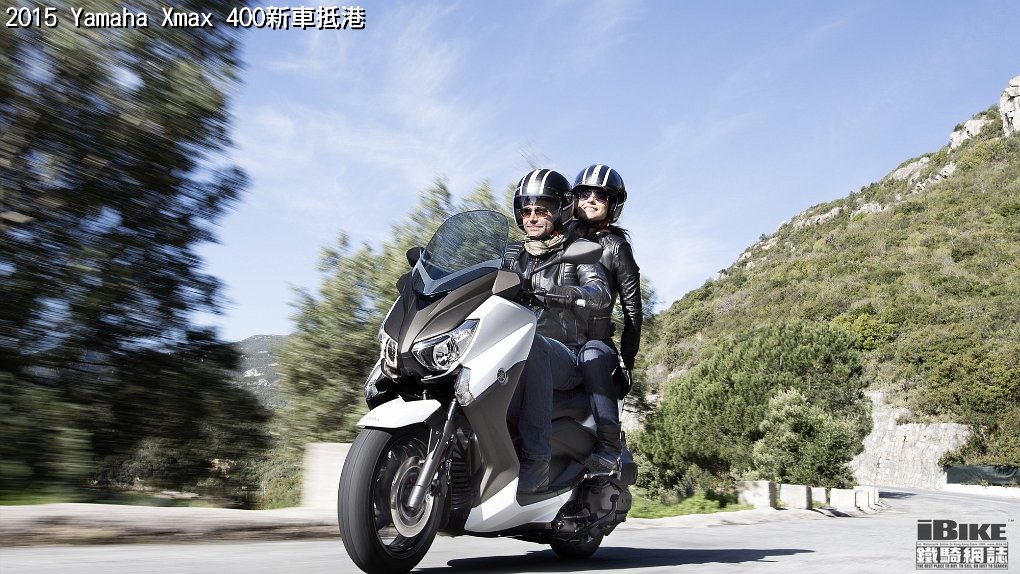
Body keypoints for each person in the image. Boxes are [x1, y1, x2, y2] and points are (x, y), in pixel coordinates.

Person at [503, 168, 610, 494]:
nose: (533, 218)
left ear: (560, 211)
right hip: (513, 343)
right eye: (527, 211)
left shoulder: (577, 251)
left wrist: (573, 293)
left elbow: (600, 291)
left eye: (542, 210)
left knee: (533, 345)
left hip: (566, 355)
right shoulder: (511, 255)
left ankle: (537, 461)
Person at [570, 164, 642, 473]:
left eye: (599, 196)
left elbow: (632, 310)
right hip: (555, 336)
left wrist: (627, 362)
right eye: (584, 193)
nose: (590, 200)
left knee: (591, 355)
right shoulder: (561, 238)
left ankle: (610, 447)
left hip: (595, 341)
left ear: (612, 204)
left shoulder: (616, 247)